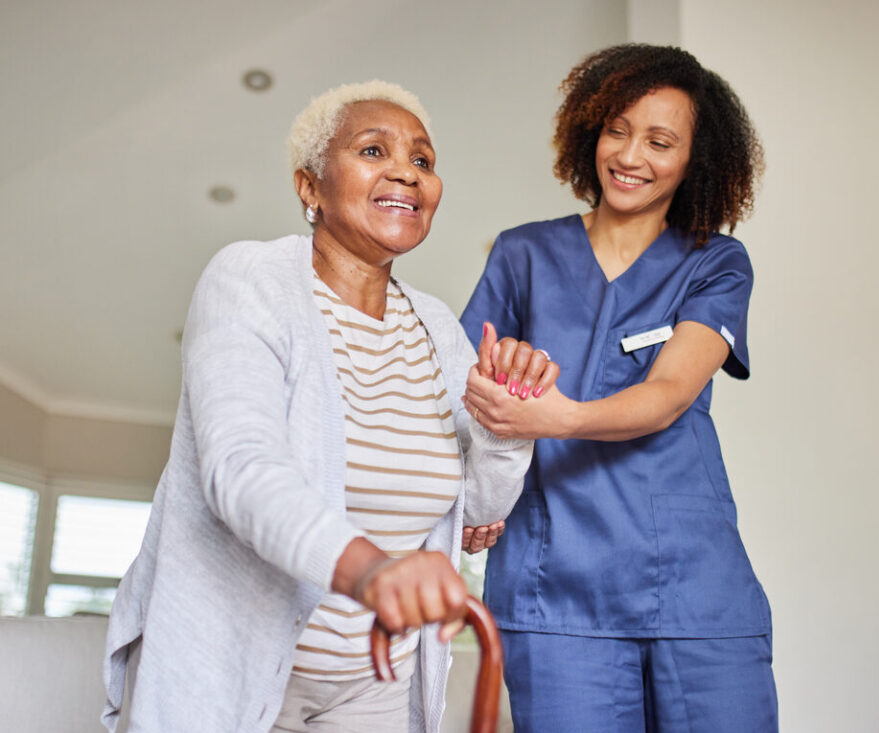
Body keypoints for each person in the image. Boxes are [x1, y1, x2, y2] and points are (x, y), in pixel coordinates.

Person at [102, 80, 532, 733]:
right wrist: (372, 571)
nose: (405, 173)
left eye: (422, 160)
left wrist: (505, 422)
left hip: (372, 684)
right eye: (372, 150)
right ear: (310, 187)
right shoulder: (250, 279)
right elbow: (241, 469)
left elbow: (474, 512)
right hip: (230, 659)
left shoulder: (439, 328)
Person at [460, 44, 778, 731]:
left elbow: (669, 392)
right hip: (555, 594)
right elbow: (465, 396)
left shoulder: (715, 263)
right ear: (590, 131)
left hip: (696, 590)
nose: (631, 155)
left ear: (697, 160)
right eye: (617, 130)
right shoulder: (523, 255)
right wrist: (500, 383)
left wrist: (558, 416)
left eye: (660, 141)